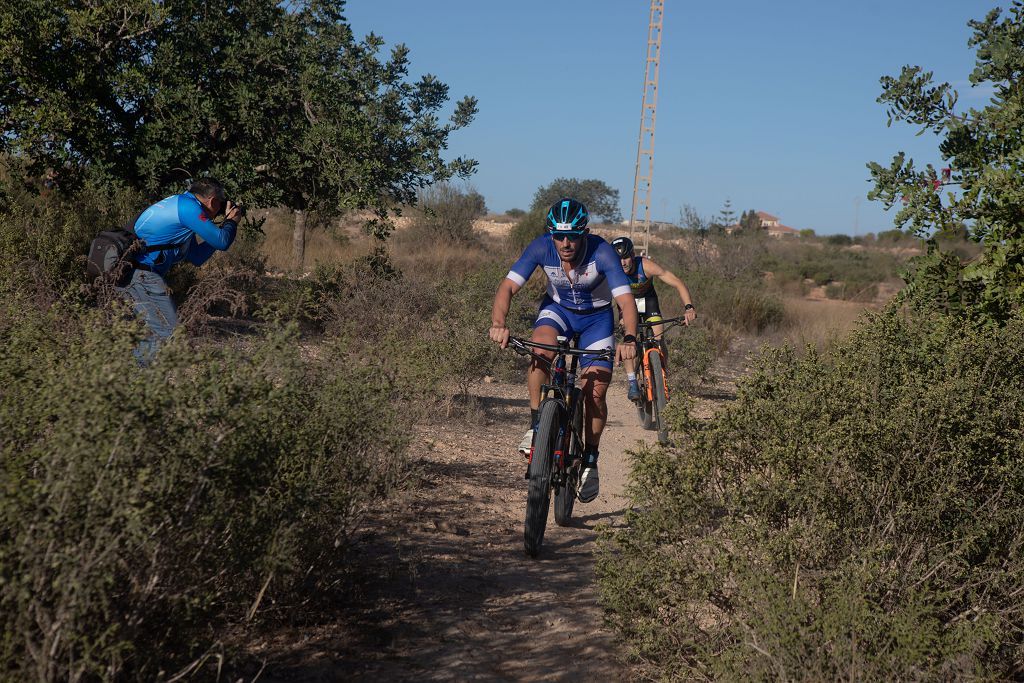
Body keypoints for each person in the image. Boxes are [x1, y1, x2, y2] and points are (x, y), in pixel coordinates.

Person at [489, 199, 638, 503]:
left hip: (597, 320)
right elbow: (507, 287)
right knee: (540, 353)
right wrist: (498, 323)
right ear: (551, 234)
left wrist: (631, 338)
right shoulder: (541, 247)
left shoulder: (602, 252)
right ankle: (536, 427)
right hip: (558, 312)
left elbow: (625, 302)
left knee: (595, 390)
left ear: (585, 233)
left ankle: (591, 461)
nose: (565, 243)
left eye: (572, 236)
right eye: (559, 236)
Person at [119, 178, 241, 360]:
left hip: (136, 274)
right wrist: (231, 223)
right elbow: (222, 241)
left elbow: (196, 257)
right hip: (141, 274)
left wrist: (222, 227)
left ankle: (135, 376)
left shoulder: (182, 204)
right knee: (165, 329)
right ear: (213, 201)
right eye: (220, 204)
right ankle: (138, 380)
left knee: (156, 330)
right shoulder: (188, 209)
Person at [609, 236, 697, 403]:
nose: (623, 263)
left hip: (649, 301)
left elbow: (677, 282)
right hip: (627, 305)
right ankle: (632, 382)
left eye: (626, 257)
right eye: (618, 259)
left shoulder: (646, 266)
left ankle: (662, 374)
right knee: (630, 340)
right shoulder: (612, 272)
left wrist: (689, 307)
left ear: (633, 254)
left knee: (659, 336)